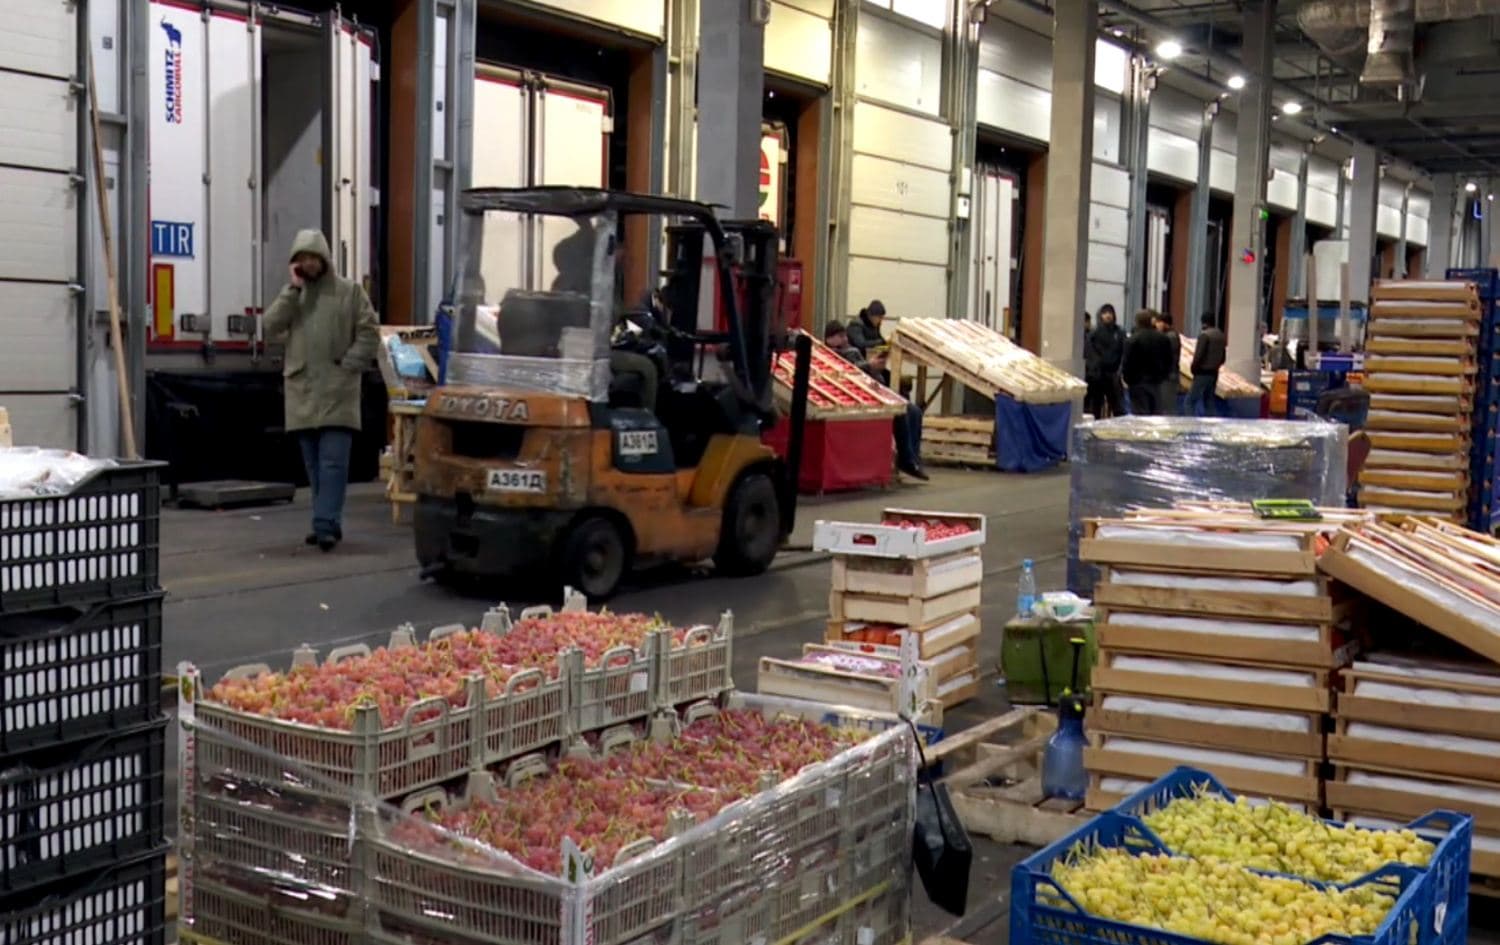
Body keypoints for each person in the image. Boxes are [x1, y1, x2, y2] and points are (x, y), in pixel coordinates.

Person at [264, 229, 380, 551]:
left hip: (338, 391)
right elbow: (270, 326)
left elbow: (369, 332)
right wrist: (291, 291)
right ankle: (327, 518)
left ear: (324, 260)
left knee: (333, 463)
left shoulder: (350, 292)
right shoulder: (293, 295)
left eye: (313, 258)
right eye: (302, 259)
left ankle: (324, 524)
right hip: (303, 391)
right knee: (314, 465)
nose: (308, 263)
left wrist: (350, 363)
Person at [826, 320, 927, 482]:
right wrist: (870, 365)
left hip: (877, 387)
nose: (845, 339)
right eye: (840, 336)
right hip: (864, 392)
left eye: (845, 335)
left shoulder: (853, 346)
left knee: (914, 411)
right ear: (829, 339)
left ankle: (913, 457)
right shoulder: (833, 353)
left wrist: (883, 348)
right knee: (900, 411)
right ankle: (907, 460)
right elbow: (848, 370)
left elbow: (867, 351)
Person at [1121, 309, 1174, 416]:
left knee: (1140, 414)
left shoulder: (1132, 340)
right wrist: (1163, 375)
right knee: (1155, 413)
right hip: (1156, 381)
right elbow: (1169, 360)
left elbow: (1127, 362)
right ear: (1151, 321)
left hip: (1137, 383)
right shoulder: (1162, 339)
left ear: (1137, 322)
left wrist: (1128, 379)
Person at [1084, 304, 1125, 418]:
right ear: (1101, 316)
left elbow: (1123, 352)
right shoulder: (1094, 334)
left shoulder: (1119, 333)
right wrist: (1095, 369)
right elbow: (1090, 353)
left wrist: (1120, 370)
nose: (1108, 316)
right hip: (1098, 375)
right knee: (1096, 405)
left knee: (1117, 405)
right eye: (1105, 313)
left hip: (1113, 374)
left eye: (1110, 313)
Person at [1188, 311, 1229, 418]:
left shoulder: (1204, 336)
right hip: (1214, 373)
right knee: (1209, 401)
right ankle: (1212, 425)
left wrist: (1193, 368)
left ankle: (1189, 425)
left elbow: (1199, 355)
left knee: (1190, 402)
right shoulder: (1221, 335)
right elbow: (1223, 357)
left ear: (1203, 322)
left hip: (1202, 373)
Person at [1153, 312, 1182, 416]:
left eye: (1158, 323)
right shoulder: (1171, 335)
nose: (1156, 326)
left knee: (1167, 406)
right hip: (1169, 375)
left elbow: (1165, 356)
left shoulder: (1170, 337)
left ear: (1164, 323)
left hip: (1168, 376)